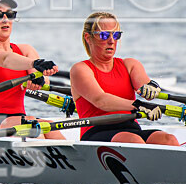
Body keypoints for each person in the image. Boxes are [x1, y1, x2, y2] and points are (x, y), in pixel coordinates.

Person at [69, 12, 178, 145]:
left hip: (131, 128)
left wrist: (150, 87)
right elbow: (101, 101)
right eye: (104, 35)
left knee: (168, 139)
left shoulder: (130, 65)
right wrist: (138, 105)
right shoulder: (80, 69)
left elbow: (144, 85)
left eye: (116, 35)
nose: (111, 41)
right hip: (96, 132)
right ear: (88, 38)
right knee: (133, 140)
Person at [0, 0, 65, 139]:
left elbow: (44, 82)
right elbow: (5, 59)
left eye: (10, 14)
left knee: (50, 126)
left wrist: (38, 79)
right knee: (31, 125)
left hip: (18, 120)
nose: (5, 19)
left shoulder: (25, 50)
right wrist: (34, 64)